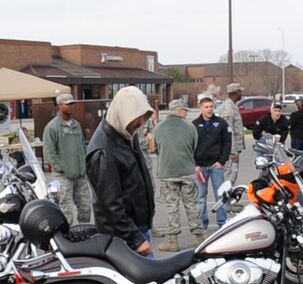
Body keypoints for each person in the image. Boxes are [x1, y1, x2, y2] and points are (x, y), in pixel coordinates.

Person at [87, 86, 156, 254]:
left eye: (143, 117)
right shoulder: (104, 152)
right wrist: (136, 239)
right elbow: (111, 206)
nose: (141, 123)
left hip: (137, 229)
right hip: (123, 239)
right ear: (124, 115)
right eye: (137, 118)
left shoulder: (125, 134)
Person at [150, 97, 200, 252]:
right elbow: (194, 147)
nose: (186, 113)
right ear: (179, 110)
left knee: (171, 206)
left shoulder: (158, 128)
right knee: (192, 205)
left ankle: (173, 241)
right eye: (185, 110)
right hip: (187, 171)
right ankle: (199, 237)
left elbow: (154, 149)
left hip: (167, 172)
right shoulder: (190, 127)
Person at [42, 98, 94, 226]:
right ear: (59, 106)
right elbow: (49, 152)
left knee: (86, 206)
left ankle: (84, 229)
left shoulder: (76, 125)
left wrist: (84, 164)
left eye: (72, 104)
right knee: (66, 209)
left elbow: (82, 145)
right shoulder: (52, 127)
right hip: (63, 176)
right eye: (68, 104)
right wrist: (62, 167)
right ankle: (67, 233)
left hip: (80, 174)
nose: (71, 106)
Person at [192, 95, 234, 232]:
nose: (209, 109)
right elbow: (190, 146)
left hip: (216, 166)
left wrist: (221, 161)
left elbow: (227, 144)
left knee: (220, 195)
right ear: (200, 108)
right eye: (206, 107)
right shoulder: (194, 124)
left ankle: (222, 222)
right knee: (201, 197)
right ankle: (202, 224)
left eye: (211, 107)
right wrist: (195, 164)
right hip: (201, 167)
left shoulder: (221, 123)